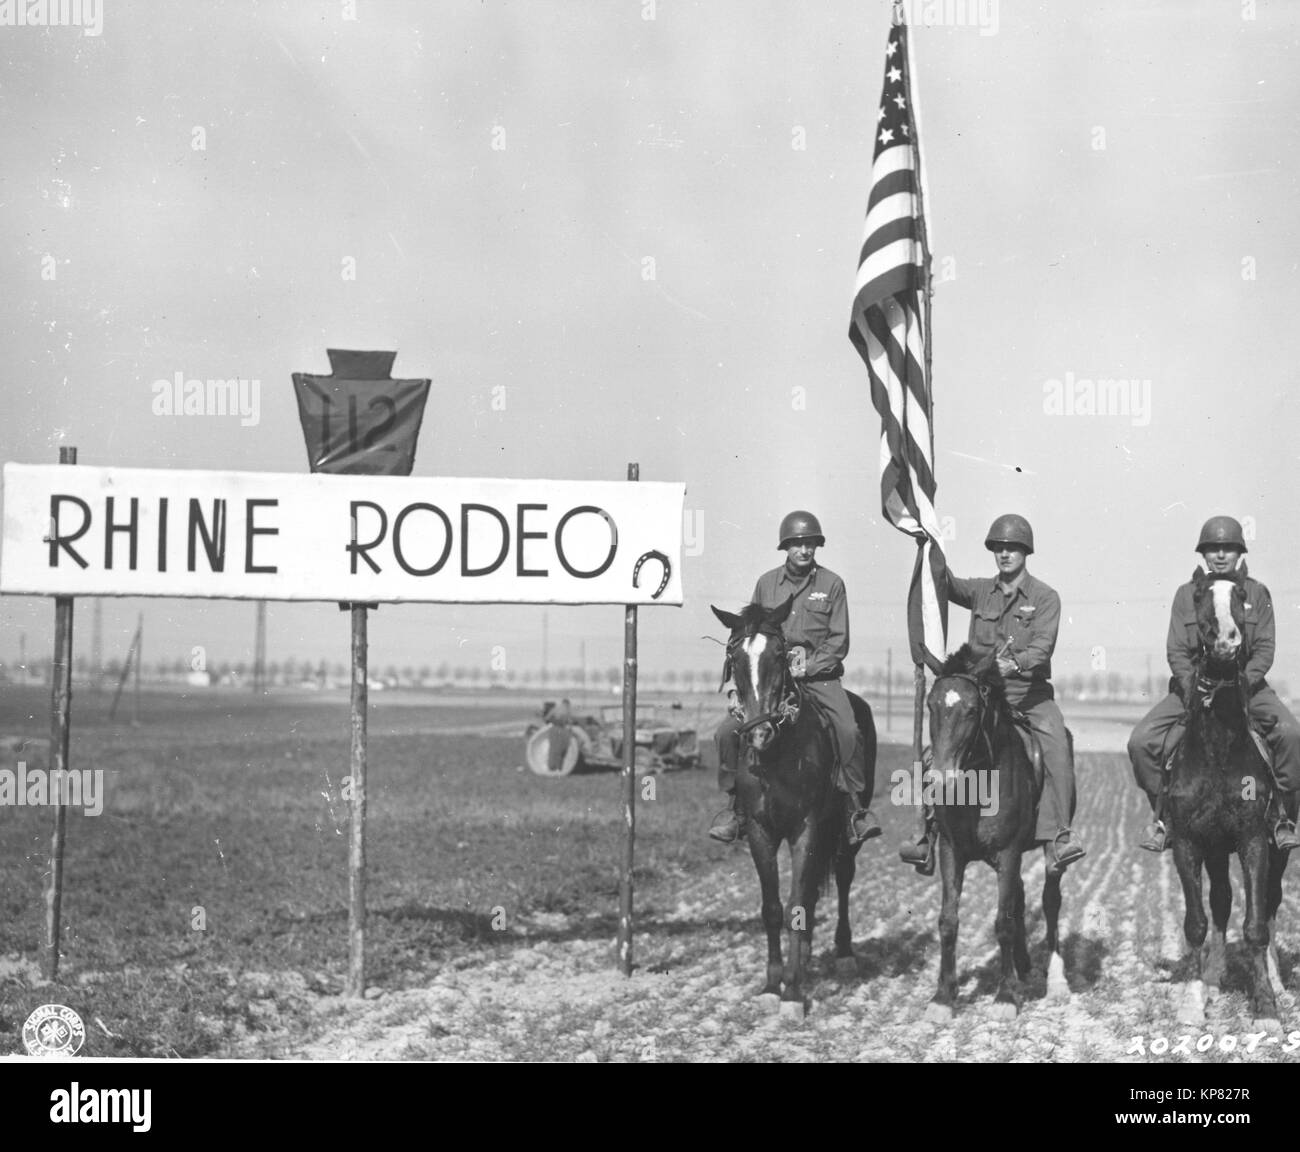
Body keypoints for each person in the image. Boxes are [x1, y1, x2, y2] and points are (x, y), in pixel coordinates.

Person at [898, 514, 1086, 875]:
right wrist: (928, 547)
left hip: (1028, 696)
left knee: (1057, 747)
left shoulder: (1046, 598)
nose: (1004, 554)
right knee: (938, 748)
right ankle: (927, 831)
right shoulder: (981, 590)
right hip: (983, 698)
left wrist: (1014, 665)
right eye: (998, 548)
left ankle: (1058, 836)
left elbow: (1042, 649)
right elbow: (945, 584)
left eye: (1012, 548)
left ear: (1025, 552)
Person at [1127, 516, 1300, 853]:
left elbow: (1264, 649)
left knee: (1291, 734)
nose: (1220, 555)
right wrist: (1194, 688)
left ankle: (1281, 814)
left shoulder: (1257, 592)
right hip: (1193, 689)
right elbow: (1176, 649)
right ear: (1203, 555)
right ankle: (1165, 817)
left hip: (1247, 689)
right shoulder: (1186, 595)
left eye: (1228, 548)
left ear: (1240, 553)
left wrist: (1241, 684)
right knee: (1141, 742)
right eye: (1212, 549)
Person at [709, 510, 881, 846]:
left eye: (810, 543)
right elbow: (748, 637)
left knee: (848, 730)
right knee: (726, 733)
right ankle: (734, 808)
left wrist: (810, 666)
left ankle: (855, 810)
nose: (804, 549)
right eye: (797, 543)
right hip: (772, 680)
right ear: (786, 547)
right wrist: (734, 684)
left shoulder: (832, 584)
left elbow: (839, 640)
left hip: (820, 678)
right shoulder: (766, 583)